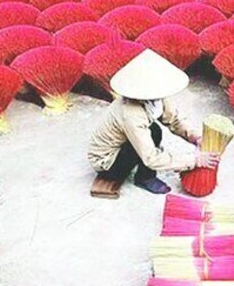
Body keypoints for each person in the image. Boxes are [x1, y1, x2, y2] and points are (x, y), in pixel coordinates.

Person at [88, 49, 219, 198]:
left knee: (155, 130)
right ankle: (145, 178)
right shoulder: (130, 113)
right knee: (152, 134)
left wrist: (194, 137)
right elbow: (151, 158)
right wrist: (194, 161)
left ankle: (144, 176)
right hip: (107, 162)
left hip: (125, 142)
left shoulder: (157, 96)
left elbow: (173, 120)